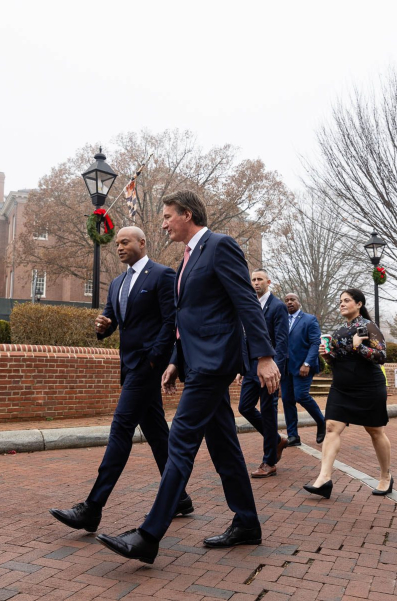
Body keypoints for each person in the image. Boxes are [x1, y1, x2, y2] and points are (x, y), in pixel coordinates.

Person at [95, 191, 279, 564]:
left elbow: (245, 302)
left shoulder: (219, 246)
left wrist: (263, 355)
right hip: (196, 363)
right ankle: (247, 523)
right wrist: (176, 361)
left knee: (179, 443)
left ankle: (149, 535)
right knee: (224, 447)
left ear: (188, 214)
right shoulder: (185, 261)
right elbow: (188, 318)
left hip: (214, 365)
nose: (163, 223)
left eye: (167, 216)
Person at [49, 227, 191, 532]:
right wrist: (102, 326)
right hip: (128, 367)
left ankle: (93, 507)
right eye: (117, 244)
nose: (119, 247)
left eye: (125, 242)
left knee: (120, 429)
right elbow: (111, 322)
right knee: (156, 433)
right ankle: (179, 498)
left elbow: (170, 321)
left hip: (146, 368)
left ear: (142, 242)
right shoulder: (117, 283)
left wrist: (155, 359)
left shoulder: (162, 275)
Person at [304, 289, 392, 499]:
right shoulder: (338, 331)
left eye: (347, 300)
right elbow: (336, 361)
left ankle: (385, 476)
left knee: (374, 431)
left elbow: (382, 356)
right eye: (340, 301)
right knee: (332, 426)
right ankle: (324, 478)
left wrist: (358, 348)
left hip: (368, 385)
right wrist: (327, 356)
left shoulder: (368, 326)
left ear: (359, 304)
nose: (342, 304)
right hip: (342, 385)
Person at [235, 269, 289, 478]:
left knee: (268, 413)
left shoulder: (278, 307)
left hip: (270, 370)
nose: (256, 283)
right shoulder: (249, 306)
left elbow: (282, 342)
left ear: (268, 281)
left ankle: (269, 462)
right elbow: (246, 339)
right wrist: (241, 367)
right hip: (250, 368)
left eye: (259, 279)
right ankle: (276, 439)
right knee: (245, 407)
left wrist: (277, 371)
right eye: (253, 280)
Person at [281, 293, 326, 447]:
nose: (289, 302)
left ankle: (321, 422)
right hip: (285, 368)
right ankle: (293, 436)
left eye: (292, 300)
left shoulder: (309, 319)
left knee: (301, 396)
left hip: (303, 367)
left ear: (299, 301)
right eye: (286, 300)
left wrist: (307, 363)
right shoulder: (281, 320)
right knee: (287, 400)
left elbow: (315, 343)